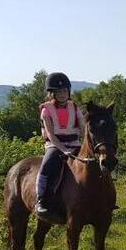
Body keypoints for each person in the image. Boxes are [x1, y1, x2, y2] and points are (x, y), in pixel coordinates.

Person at [36, 72, 85, 214]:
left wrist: (87, 136)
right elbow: (50, 134)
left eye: (64, 91)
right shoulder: (46, 110)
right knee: (46, 165)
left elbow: (83, 127)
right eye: (58, 91)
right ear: (52, 93)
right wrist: (63, 149)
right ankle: (41, 200)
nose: (63, 94)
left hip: (74, 143)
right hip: (55, 145)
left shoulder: (74, 108)